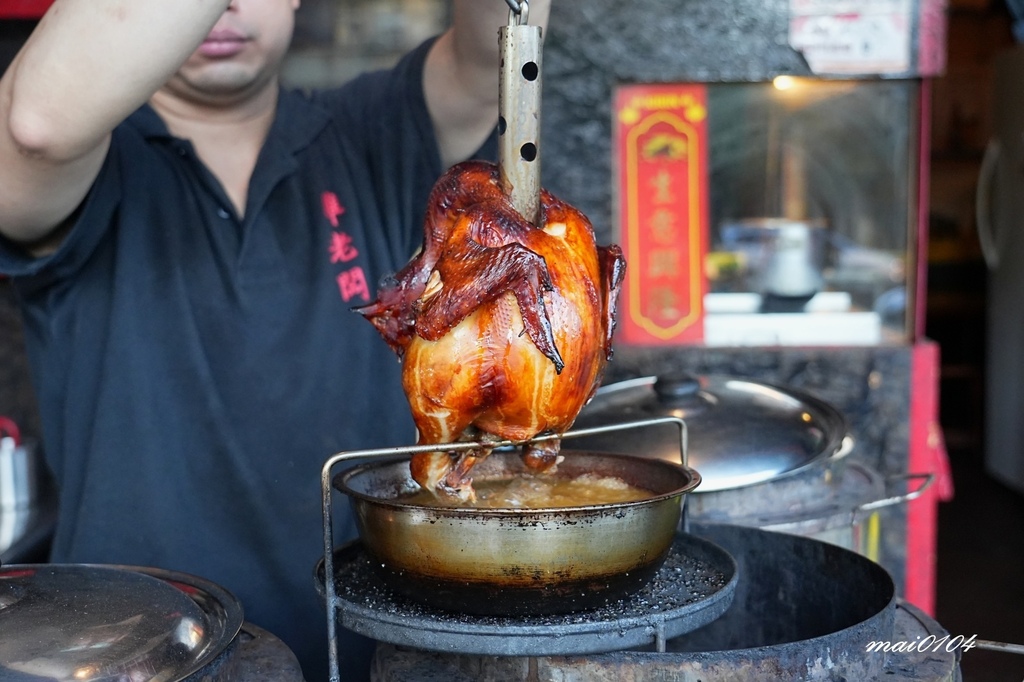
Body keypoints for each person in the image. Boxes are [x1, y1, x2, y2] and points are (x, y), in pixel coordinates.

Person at [0, 0, 550, 679]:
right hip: (130, 656)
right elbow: (36, 131)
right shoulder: (88, 155)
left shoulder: (366, 129)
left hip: (373, 649)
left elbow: (492, 54)